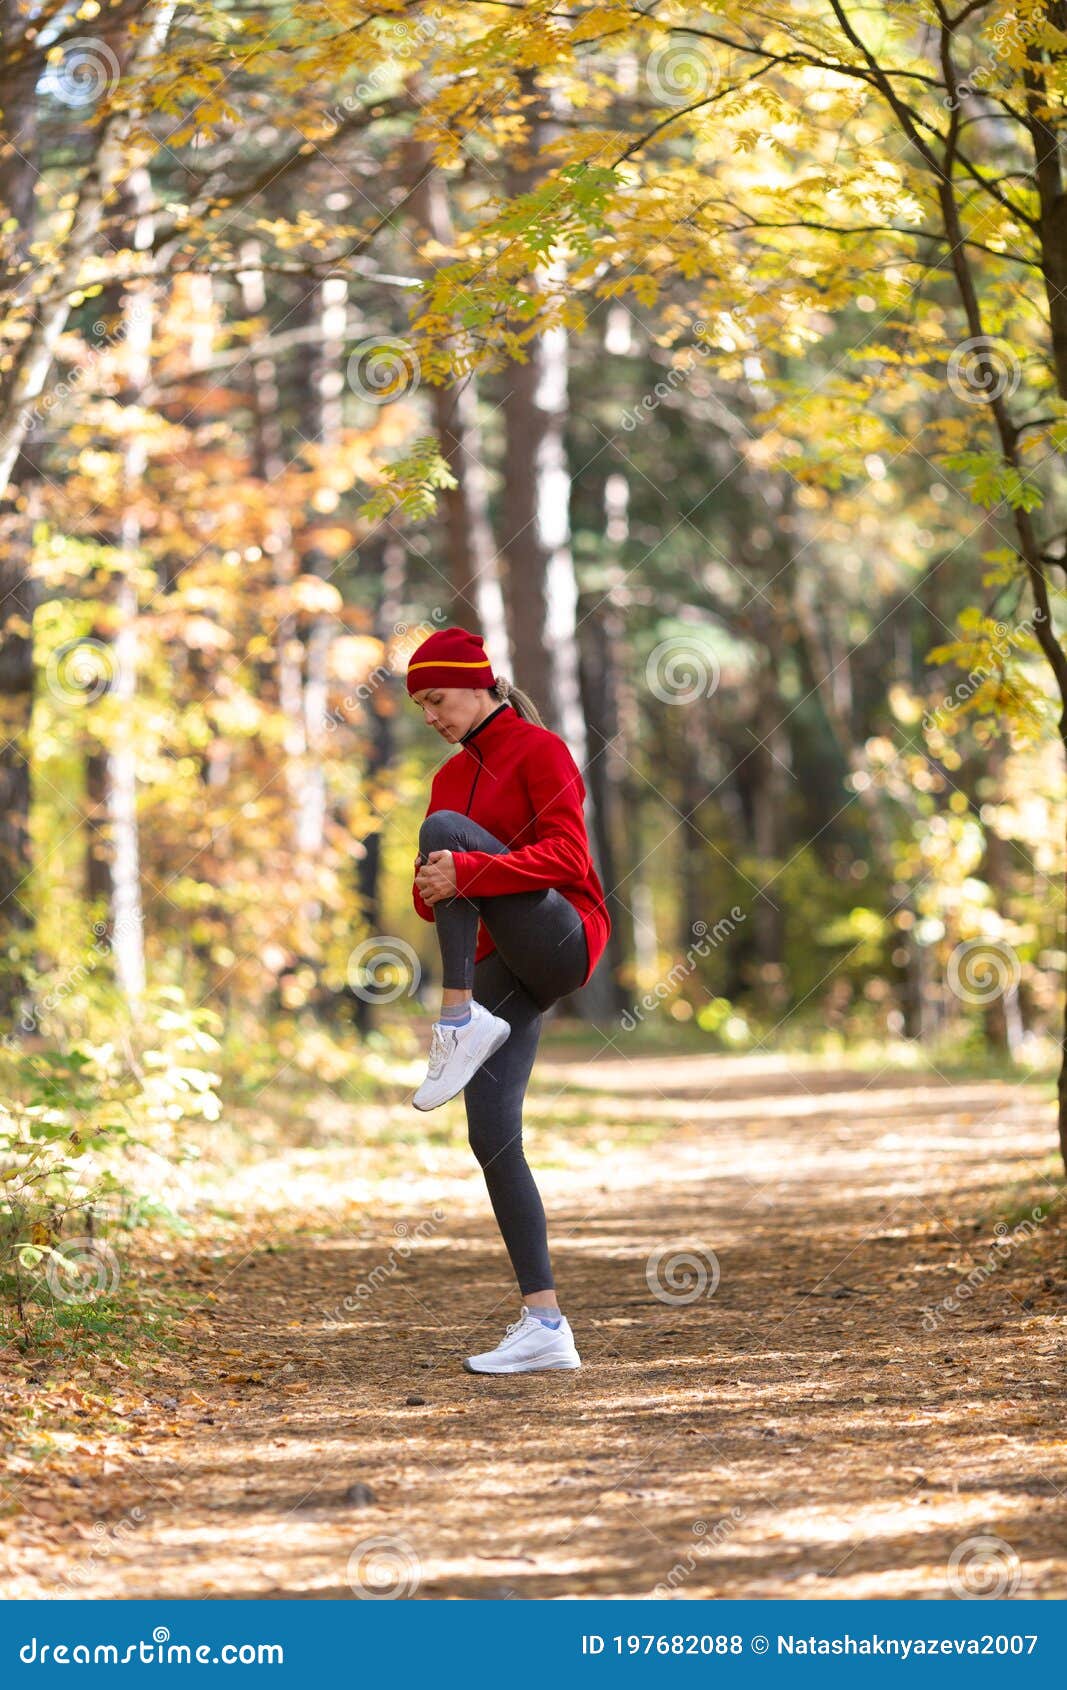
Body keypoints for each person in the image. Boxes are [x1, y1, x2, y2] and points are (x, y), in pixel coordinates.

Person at [406, 625, 611, 1375]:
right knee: (490, 1138)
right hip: (501, 963)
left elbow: (567, 858)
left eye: (437, 699)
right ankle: (545, 1323)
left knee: (445, 832)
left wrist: (462, 868)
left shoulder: (539, 749)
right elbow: (436, 901)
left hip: (563, 938)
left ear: (476, 683)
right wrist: (439, 883)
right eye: (421, 706)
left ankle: (455, 1017)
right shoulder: (446, 780)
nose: (431, 715)